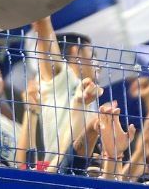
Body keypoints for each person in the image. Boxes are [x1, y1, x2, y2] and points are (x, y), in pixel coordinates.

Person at [30, 17, 100, 165]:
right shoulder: (62, 78)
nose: (98, 63)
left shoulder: (90, 93)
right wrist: (43, 19)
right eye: (92, 54)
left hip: (83, 165)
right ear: (76, 52)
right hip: (60, 167)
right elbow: (43, 28)